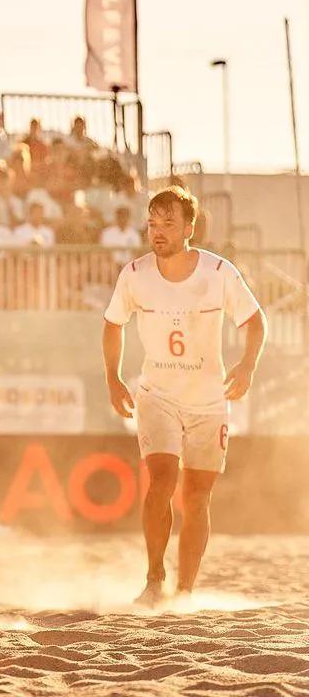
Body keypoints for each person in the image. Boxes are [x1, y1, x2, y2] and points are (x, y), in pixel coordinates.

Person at [102, 186, 267, 608]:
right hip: (156, 393)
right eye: (153, 223)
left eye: (168, 224)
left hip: (209, 400)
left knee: (197, 496)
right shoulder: (135, 274)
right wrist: (114, 378)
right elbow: (113, 324)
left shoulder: (218, 272)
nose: (157, 231)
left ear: (189, 228)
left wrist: (247, 364)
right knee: (161, 481)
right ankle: (154, 578)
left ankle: (185, 591)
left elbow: (254, 320)